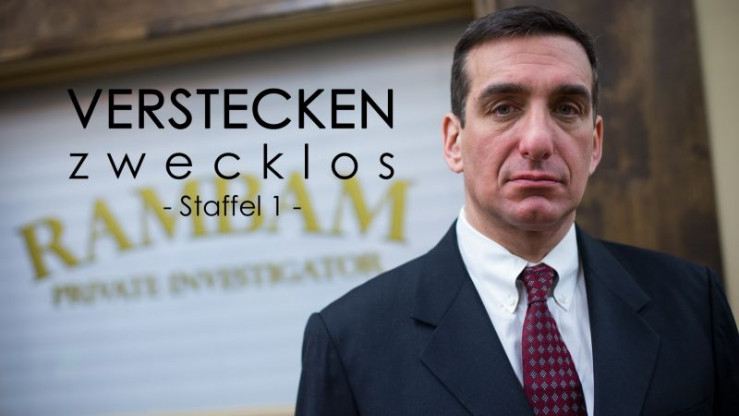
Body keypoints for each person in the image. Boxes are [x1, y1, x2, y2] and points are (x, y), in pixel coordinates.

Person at [295, 6, 739, 416]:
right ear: (453, 142)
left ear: (595, 144)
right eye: (504, 108)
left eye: (567, 109)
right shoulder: (348, 341)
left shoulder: (692, 304)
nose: (538, 141)